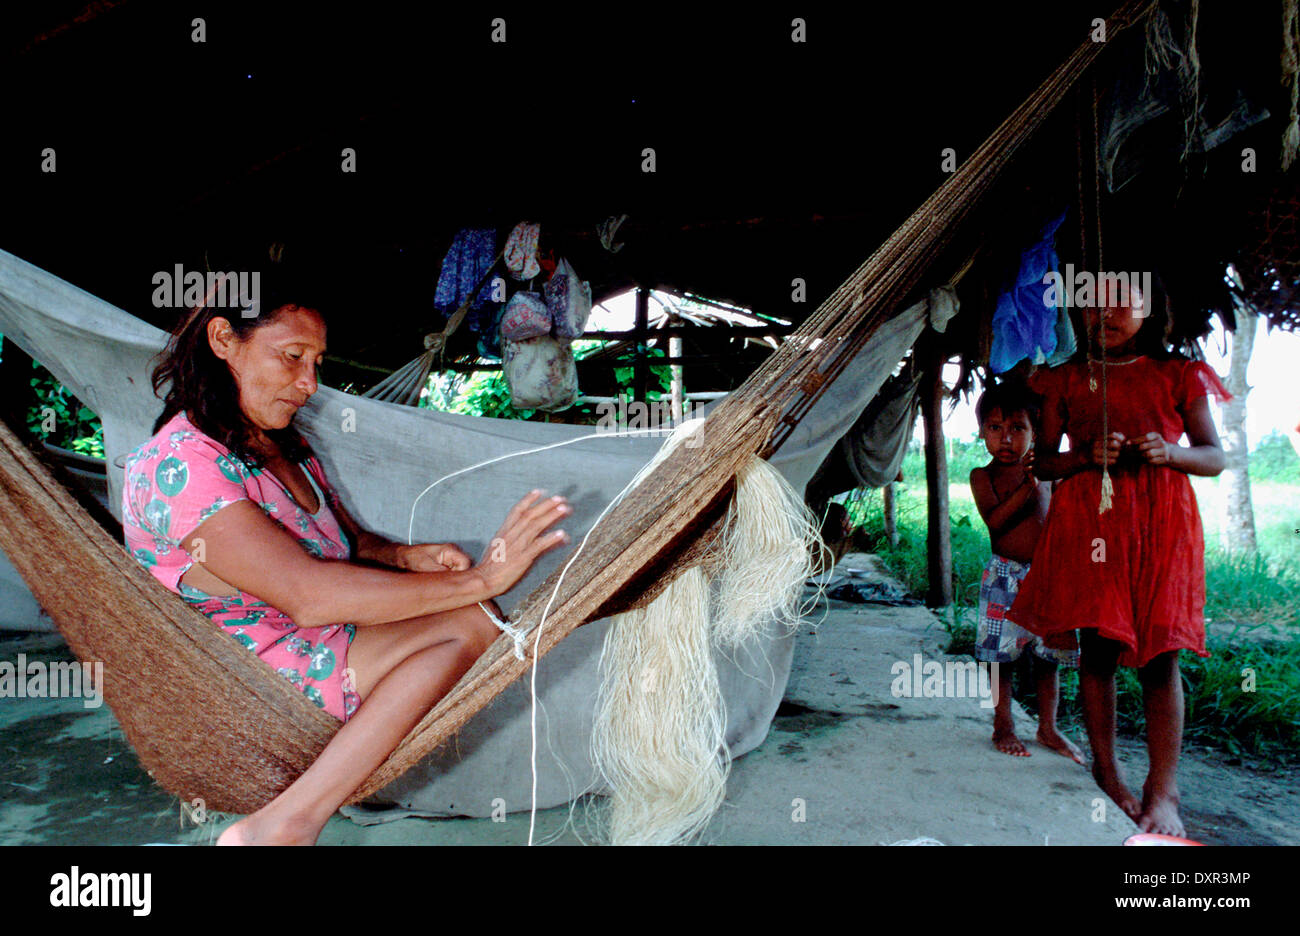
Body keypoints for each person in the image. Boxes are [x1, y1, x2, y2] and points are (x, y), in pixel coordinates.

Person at [121, 274, 571, 845]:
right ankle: (289, 822)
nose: (309, 383)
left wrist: (408, 557)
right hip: (244, 677)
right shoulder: (180, 466)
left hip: (318, 638)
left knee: (479, 616)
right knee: (474, 610)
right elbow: (310, 595)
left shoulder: (281, 444)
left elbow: (347, 542)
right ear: (222, 339)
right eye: (291, 357)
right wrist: (484, 576)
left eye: (316, 362)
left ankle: (286, 821)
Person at [1007, 276, 1229, 837]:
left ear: (1151, 310)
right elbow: (1046, 465)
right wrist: (1082, 455)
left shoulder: (1180, 374)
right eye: (1092, 303)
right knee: (1098, 650)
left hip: (1161, 527)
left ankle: (1164, 789)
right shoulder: (1064, 379)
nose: (1106, 314)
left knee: (1162, 656)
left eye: (1122, 304)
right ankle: (1107, 770)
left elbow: (1214, 457)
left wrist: (1173, 452)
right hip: (1092, 526)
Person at [969, 383, 1083, 763]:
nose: (1005, 438)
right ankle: (1003, 723)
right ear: (982, 432)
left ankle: (1048, 727)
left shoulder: (1050, 472)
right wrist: (1029, 487)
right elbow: (996, 524)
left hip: (1048, 575)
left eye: (1017, 428)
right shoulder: (982, 477)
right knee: (1000, 656)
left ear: (1035, 433)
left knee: (1048, 656)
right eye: (995, 428)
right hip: (1004, 576)